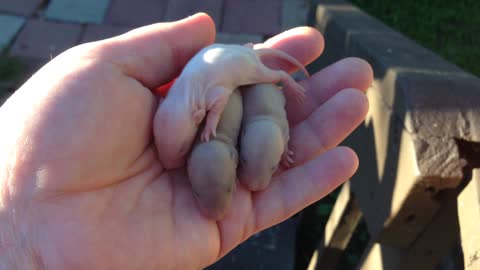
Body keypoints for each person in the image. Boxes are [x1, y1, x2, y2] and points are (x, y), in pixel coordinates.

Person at [0, 13, 372, 269]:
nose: (172, 159)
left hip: (232, 67)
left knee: (260, 74)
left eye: (180, 150)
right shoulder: (181, 110)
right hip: (222, 80)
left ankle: (282, 79)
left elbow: (216, 99)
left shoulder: (202, 104)